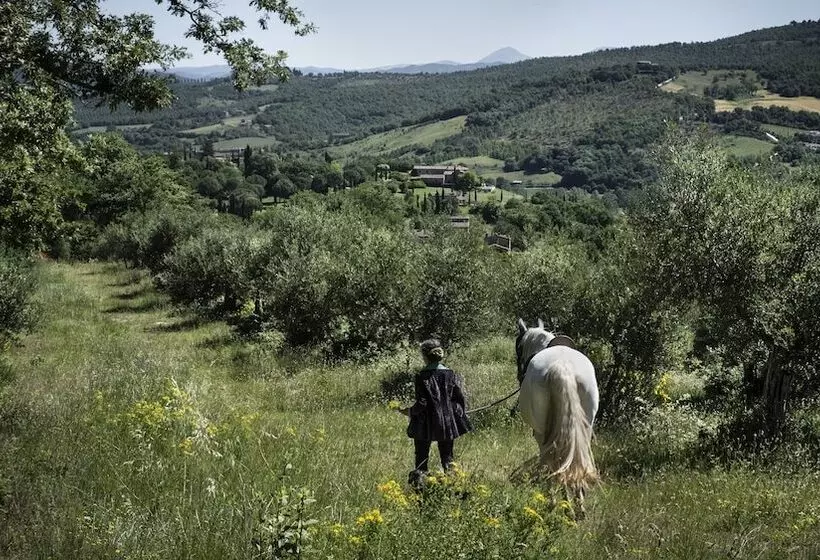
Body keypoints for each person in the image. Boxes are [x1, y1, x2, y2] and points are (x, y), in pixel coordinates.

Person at [399, 339, 472, 487]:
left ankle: (420, 490)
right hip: (447, 423)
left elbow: (422, 403)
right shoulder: (450, 374)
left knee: (421, 458)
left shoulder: (422, 376)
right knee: (448, 457)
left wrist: (408, 411)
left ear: (425, 356)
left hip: (425, 424)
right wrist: (455, 414)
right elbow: (459, 399)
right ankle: (454, 487)